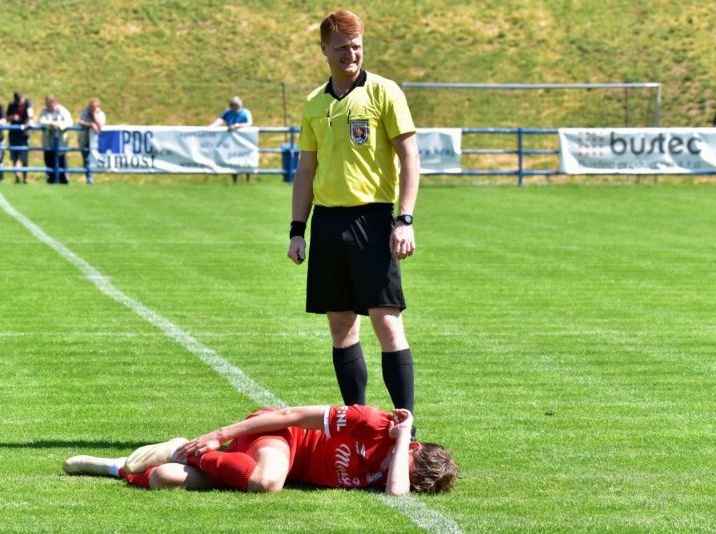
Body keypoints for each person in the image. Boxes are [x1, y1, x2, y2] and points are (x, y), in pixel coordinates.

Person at [286, 11, 421, 429]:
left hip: (374, 218)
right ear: (324, 49)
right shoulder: (313, 103)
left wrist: (405, 219)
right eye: (342, 47)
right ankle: (359, 421)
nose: (352, 53)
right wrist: (297, 230)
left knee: (385, 321)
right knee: (342, 327)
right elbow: (306, 172)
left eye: (357, 44)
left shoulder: (384, 92)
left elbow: (410, 156)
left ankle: (406, 425)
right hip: (327, 223)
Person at [63, 404, 457, 495]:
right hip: (280, 437)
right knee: (268, 481)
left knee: (167, 478)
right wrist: (220, 434)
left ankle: (113, 468)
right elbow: (291, 414)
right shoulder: (373, 423)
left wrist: (402, 452)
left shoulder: (393, 473)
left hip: (264, 464)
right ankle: (188, 447)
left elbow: (397, 492)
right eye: (407, 466)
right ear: (415, 445)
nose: (399, 474)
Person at [209, 96, 253, 184]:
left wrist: (237, 125)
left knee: (247, 159)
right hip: (232, 140)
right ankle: (235, 181)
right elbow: (221, 119)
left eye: (238, 107)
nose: (237, 109)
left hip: (245, 140)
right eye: (235, 107)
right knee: (233, 159)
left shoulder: (246, 112)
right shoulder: (228, 112)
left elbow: (249, 123)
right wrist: (211, 126)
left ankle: (249, 181)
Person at [38, 94, 73, 184]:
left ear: (54, 102)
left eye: (49, 104)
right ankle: (51, 181)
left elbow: (69, 122)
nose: (47, 106)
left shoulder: (63, 111)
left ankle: (64, 182)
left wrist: (58, 125)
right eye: (46, 104)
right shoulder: (44, 111)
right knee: (49, 166)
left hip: (60, 144)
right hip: (48, 144)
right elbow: (41, 121)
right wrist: (51, 124)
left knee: (61, 165)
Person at [77, 98, 106, 185]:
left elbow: (101, 125)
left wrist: (95, 116)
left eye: (94, 107)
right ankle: (89, 178)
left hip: (96, 142)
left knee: (94, 159)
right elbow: (80, 121)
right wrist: (90, 124)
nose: (92, 109)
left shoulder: (101, 114)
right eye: (91, 107)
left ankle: (91, 176)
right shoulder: (85, 112)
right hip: (84, 139)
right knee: (86, 159)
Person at [6, 92, 34, 184]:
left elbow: (30, 114)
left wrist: (29, 120)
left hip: (24, 134)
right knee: (14, 157)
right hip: (13, 134)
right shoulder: (11, 105)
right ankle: (17, 176)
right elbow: (7, 118)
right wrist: (13, 117)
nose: (20, 103)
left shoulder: (27, 103)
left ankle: (25, 177)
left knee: (24, 157)